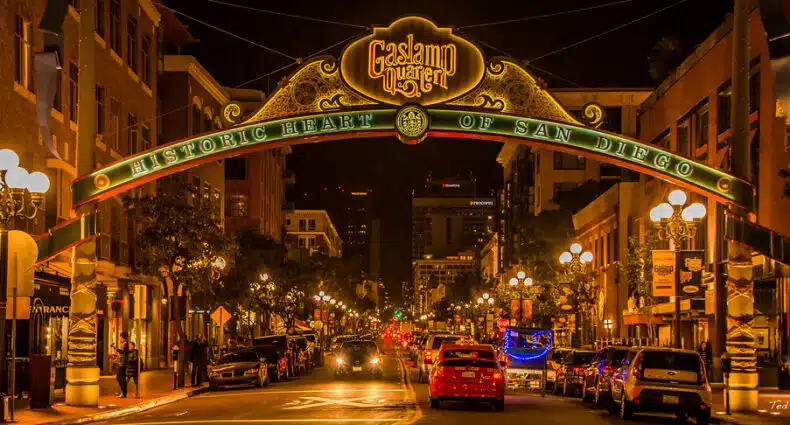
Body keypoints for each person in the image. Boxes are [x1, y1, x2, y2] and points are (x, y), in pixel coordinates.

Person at [115, 332, 130, 398]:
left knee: (121, 378)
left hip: (122, 363)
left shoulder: (125, 343)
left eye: (120, 337)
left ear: (123, 337)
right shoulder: (124, 343)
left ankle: (124, 393)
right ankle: (122, 392)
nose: (120, 338)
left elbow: (121, 351)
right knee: (118, 377)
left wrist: (116, 348)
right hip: (120, 363)